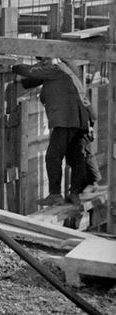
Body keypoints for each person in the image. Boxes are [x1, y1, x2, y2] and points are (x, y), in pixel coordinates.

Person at [12, 57, 98, 206]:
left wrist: (13, 66)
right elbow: (32, 80)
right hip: (78, 119)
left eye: (43, 62)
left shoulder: (55, 68)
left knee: (53, 156)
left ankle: (56, 194)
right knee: (77, 157)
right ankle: (76, 193)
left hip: (66, 119)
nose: (41, 65)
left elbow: (31, 72)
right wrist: (20, 81)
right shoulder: (64, 70)